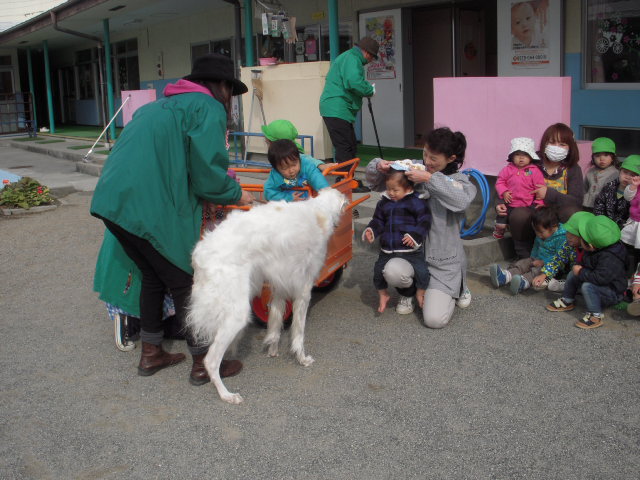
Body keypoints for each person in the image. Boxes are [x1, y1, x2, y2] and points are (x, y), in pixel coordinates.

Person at [90, 53, 254, 384]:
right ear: (221, 86)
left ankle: (152, 353)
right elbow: (207, 175)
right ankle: (205, 362)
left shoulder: (155, 107)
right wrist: (238, 194)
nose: (231, 103)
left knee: (152, 277)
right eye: (231, 94)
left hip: (111, 202)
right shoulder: (206, 107)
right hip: (148, 207)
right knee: (185, 280)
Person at [365, 127, 476, 328]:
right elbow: (376, 183)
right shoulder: (414, 167)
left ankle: (458, 285)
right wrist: (378, 167)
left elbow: (462, 201)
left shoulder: (459, 181)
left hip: (441, 263)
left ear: (450, 158)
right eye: (425, 153)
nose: (427, 161)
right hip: (410, 253)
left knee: (433, 320)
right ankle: (409, 292)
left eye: (433, 158)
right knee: (391, 271)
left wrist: (429, 179)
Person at [508, 123, 583, 258]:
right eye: (552, 142)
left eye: (562, 144)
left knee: (572, 211)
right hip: (532, 207)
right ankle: (524, 257)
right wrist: (500, 201)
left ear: (570, 147)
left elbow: (576, 200)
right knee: (518, 215)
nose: (556, 148)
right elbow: (507, 180)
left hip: (558, 211)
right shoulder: (532, 160)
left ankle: (563, 257)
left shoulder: (573, 168)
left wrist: (548, 194)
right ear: (544, 143)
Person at [363, 169, 431, 314]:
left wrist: (414, 236)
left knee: (422, 272)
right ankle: (383, 295)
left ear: (408, 189)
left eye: (395, 190)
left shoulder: (416, 202)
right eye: (388, 189)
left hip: (411, 250)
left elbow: (424, 221)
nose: (391, 193)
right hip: (388, 249)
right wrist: (371, 230)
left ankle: (420, 292)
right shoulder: (384, 203)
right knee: (377, 273)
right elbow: (378, 221)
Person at [546, 215, 627, 329]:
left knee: (587, 286)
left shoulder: (610, 257)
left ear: (590, 245)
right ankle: (567, 300)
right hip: (598, 282)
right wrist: (580, 270)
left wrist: (581, 272)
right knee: (572, 273)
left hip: (612, 292)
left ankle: (595, 315)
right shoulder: (598, 248)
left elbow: (600, 278)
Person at [319, 37, 378, 192]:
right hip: (337, 107)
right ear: (366, 52)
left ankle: (347, 178)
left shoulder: (349, 57)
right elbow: (353, 81)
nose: (371, 60)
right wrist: (369, 90)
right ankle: (345, 181)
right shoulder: (352, 58)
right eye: (371, 56)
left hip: (337, 108)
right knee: (345, 146)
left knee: (349, 144)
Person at [489, 207, 567, 295]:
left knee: (537, 271)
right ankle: (505, 276)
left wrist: (543, 262)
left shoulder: (562, 237)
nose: (538, 235)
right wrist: (531, 258)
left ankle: (523, 282)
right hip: (537, 259)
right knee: (524, 263)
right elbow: (536, 246)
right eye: (536, 232)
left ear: (553, 227)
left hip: (552, 268)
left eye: (541, 232)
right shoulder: (542, 233)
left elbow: (560, 258)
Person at [493, 137, 545, 239]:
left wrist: (540, 203)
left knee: (528, 225)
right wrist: (504, 192)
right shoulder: (507, 169)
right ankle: (500, 229)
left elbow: (540, 188)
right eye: (517, 154)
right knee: (501, 225)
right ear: (512, 156)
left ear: (531, 157)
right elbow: (500, 182)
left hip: (528, 205)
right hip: (509, 203)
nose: (521, 158)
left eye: (525, 155)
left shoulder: (534, 171)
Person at [535, 210, 592, 293]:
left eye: (573, 234)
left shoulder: (592, 250)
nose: (568, 236)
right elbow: (557, 259)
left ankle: (572, 287)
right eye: (568, 232)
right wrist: (544, 274)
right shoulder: (568, 244)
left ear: (584, 236)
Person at [264, 139, 330, 202]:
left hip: (309, 201)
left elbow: (316, 178)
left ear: (299, 159)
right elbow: (269, 192)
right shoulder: (275, 175)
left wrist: (326, 192)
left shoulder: (306, 165)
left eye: (294, 165)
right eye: (285, 168)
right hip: (288, 206)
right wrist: (288, 198)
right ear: (276, 168)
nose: (291, 170)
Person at [261, 119, 328, 171]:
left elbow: (306, 159)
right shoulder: (278, 154)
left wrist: (321, 165)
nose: (268, 146)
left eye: (268, 143)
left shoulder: (291, 154)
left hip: (297, 186)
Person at [593, 154, 640, 227]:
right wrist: (600, 221)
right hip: (604, 225)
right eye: (625, 172)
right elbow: (599, 204)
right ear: (620, 171)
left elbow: (632, 216)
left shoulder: (636, 196)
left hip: (623, 229)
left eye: (633, 175)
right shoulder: (609, 187)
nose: (627, 177)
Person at [583, 137, 619, 210]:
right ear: (593, 158)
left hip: (604, 208)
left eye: (606, 155)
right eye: (597, 156)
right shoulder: (590, 171)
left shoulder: (615, 173)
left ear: (612, 157)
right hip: (586, 205)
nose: (602, 159)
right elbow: (584, 188)